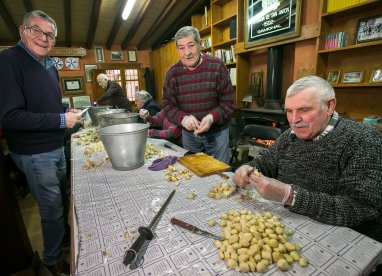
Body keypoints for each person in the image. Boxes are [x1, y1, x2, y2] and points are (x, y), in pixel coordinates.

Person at [232, 76, 382, 243]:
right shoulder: (290, 135)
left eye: (304, 110)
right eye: (289, 111)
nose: (294, 120)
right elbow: (263, 164)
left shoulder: (364, 140)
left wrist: (290, 195)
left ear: (329, 106)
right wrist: (245, 168)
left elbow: (361, 210)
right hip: (288, 227)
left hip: (342, 239)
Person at [0, 10, 81, 275]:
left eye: (50, 34)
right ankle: (52, 260)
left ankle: (61, 239)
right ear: (22, 30)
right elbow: (11, 117)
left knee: (62, 199)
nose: (43, 38)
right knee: (51, 210)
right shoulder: (7, 62)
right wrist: (62, 120)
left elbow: (46, 105)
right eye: (36, 30)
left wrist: (64, 111)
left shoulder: (49, 64)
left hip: (55, 147)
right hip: (35, 153)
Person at [162, 26, 236, 164]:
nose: (187, 52)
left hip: (217, 133)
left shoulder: (217, 66)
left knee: (220, 173)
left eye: (191, 45)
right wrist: (183, 118)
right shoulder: (172, 73)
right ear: (177, 49)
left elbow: (229, 103)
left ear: (200, 44)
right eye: (182, 48)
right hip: (189, 136)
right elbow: (167, 106)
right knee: (194, 173)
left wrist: (211, 118)